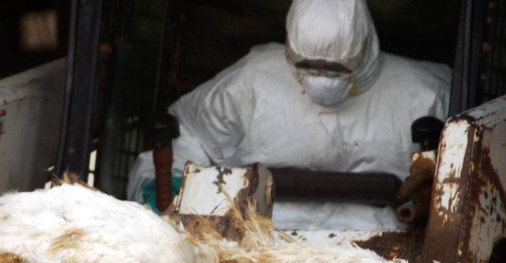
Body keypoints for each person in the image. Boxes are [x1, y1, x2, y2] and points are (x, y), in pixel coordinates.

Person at [126, 0, 451, 230]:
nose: (323, 78)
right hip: (261, 244)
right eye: (309, 66)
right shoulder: (254, 81)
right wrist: (166, 185)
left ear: (363, 52)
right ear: (291, 49)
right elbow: (189, 135)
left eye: (337, 69)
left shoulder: (425, 94)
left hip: (387, 257)